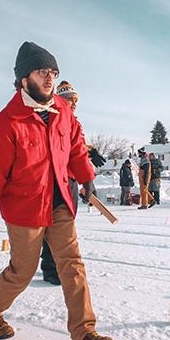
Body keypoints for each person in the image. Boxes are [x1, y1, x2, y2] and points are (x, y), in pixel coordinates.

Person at [0, 41, 114, 340]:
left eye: (53, 72)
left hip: (60, 202)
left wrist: (87, 177)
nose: (49, 78)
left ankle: (84, 332)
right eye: (41, 72)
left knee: (72, 265)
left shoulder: (62, 111)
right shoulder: (6, 123)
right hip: (25, 208)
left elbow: (75, 148)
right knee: (23, 270)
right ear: (24, 79)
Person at [39, 80, 105, 286]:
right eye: (69, 99)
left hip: (71, 180)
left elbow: (76, 148)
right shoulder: (51, 117)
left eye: (76, 100)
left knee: (65, 225)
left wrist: (89, 156)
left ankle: (57, 265)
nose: (74, 103)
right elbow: (60, 148)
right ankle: (49, 267)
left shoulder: (73, 121)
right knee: (55, 225)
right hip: (55, 180)